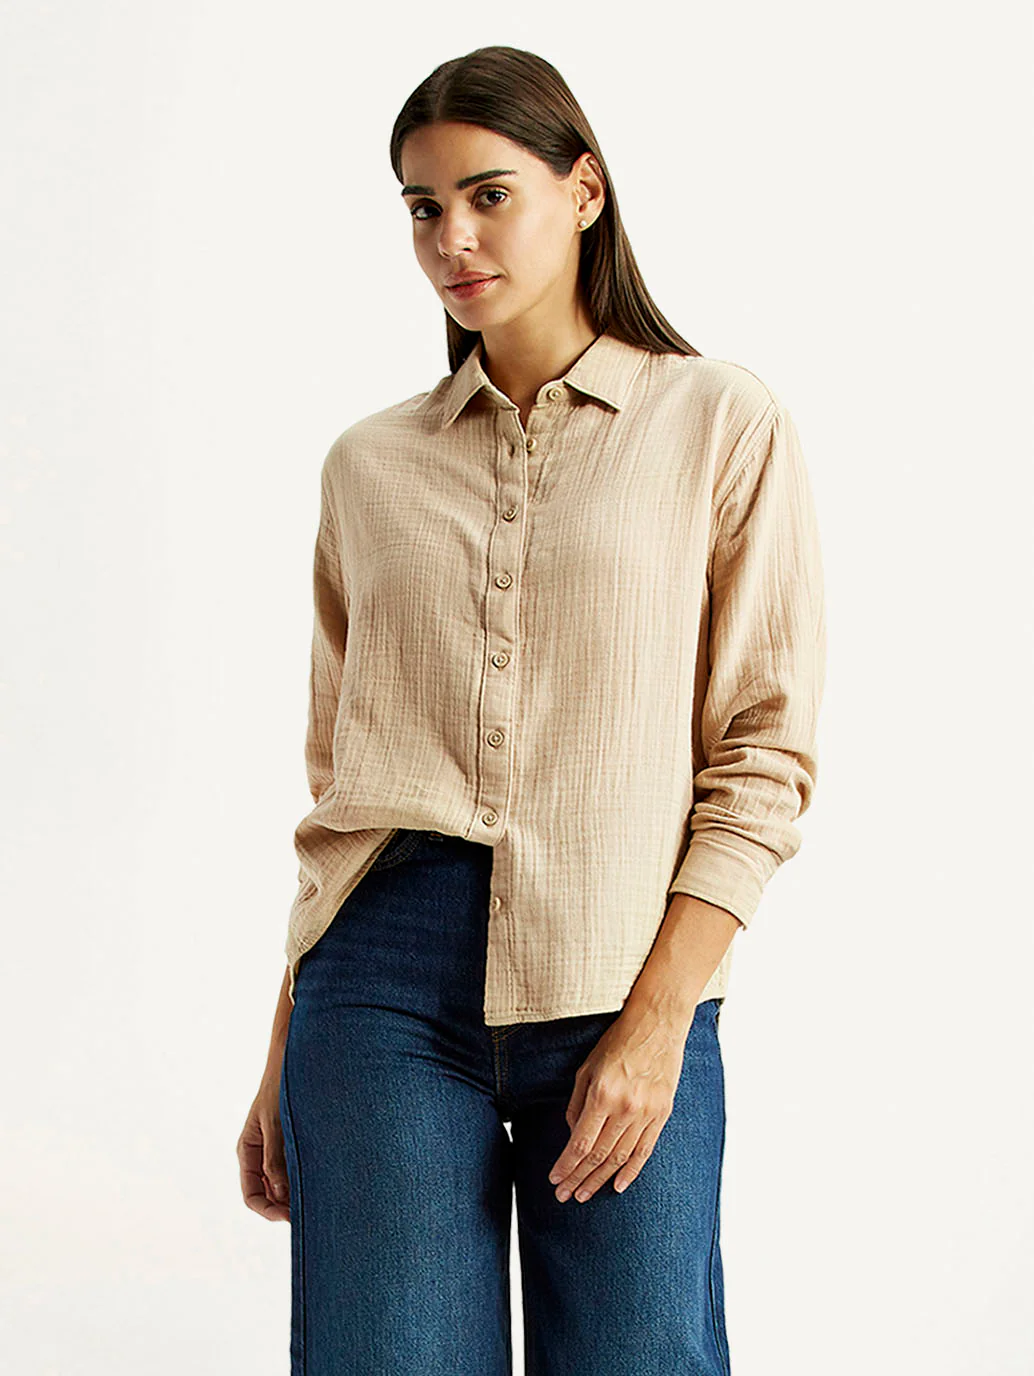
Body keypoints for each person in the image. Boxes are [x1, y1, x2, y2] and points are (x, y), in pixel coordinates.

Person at [237, 44, 826, 1376]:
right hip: (379, 992)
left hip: (622, 968)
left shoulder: (719, 423)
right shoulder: (369, 465)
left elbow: (764, 755)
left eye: (487, 195)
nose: (451, 239)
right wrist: (284, 1047)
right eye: (422, 207)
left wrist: (659, 1023)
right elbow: (340, 791)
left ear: (585, 190)